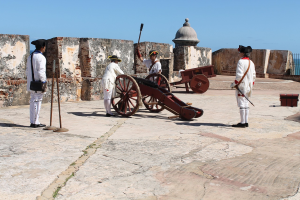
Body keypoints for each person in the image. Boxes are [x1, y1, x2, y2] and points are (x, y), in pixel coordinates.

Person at [231, 45, 256, 128]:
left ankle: (242, 123)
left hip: (242, 85)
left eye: (240, 52)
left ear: (242, 53)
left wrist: (235, 84)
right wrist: (251, 84)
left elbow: (239, 75)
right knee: (246, 103)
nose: (239, 54)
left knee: (241, 103)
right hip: (248, 86)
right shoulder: (251, 62)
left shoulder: (241, 62)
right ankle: (246, 122)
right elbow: (254, 75)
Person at [26, 39, 47, 128]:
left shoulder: (30, 56)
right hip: (38, 83)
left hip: (31, 83)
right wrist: (43, 81)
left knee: (33, 101)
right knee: (37, 101)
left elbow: (27, 70)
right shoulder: (41, 57)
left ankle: (33, 121)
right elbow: (41, 71)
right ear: (42, 47)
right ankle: (35, 122)